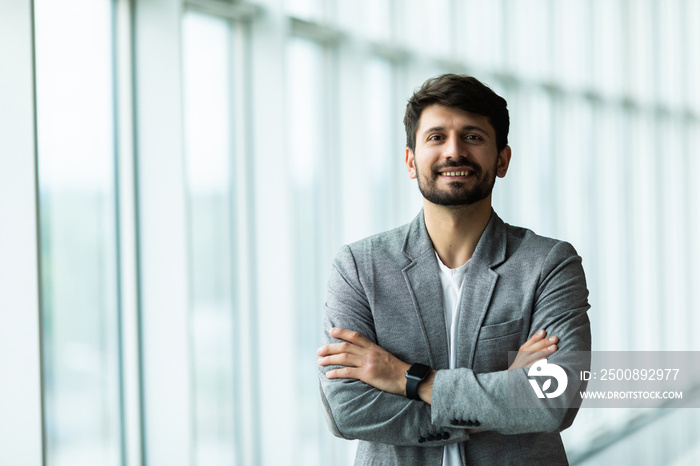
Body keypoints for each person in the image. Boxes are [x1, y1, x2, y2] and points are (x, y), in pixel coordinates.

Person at [317, 74, 591, 465]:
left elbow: (556, 400)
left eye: (473, 137)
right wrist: (503, 395)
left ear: (502, 160)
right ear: (411, 161)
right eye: (436, 137)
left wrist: (408, 379)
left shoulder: (549, 264)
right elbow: (348, 410)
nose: (454, 151)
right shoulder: (359, 267)